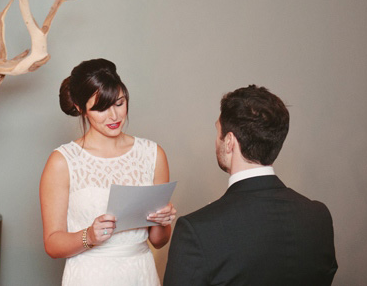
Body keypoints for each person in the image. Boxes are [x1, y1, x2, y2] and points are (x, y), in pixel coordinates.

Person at [163, 85, 338, 286]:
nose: (216, 141)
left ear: (229, 142)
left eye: (218, 132)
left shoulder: (197, 230)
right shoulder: (318, 216)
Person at [40, 58, 176, 286]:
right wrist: (89, 236)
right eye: (101, 108)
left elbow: (158, 241)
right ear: (80, 108)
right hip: (88, 275)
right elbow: (52, 244)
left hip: (140, 273)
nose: (114, 116)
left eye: (119, 103)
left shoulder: (153, 154)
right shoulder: (62, 161)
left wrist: (163, 221)